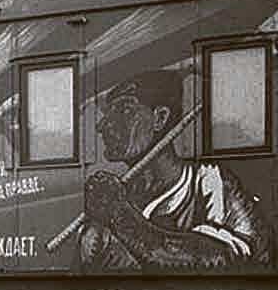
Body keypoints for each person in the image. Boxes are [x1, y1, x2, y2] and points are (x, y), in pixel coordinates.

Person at [80, 70, 267, 271]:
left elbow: (232, 257)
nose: (102, 125)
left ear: (160, 118)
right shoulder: (113, 195)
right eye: (107, 114)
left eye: (124, 111)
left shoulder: (210, 180)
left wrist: (120, 217)